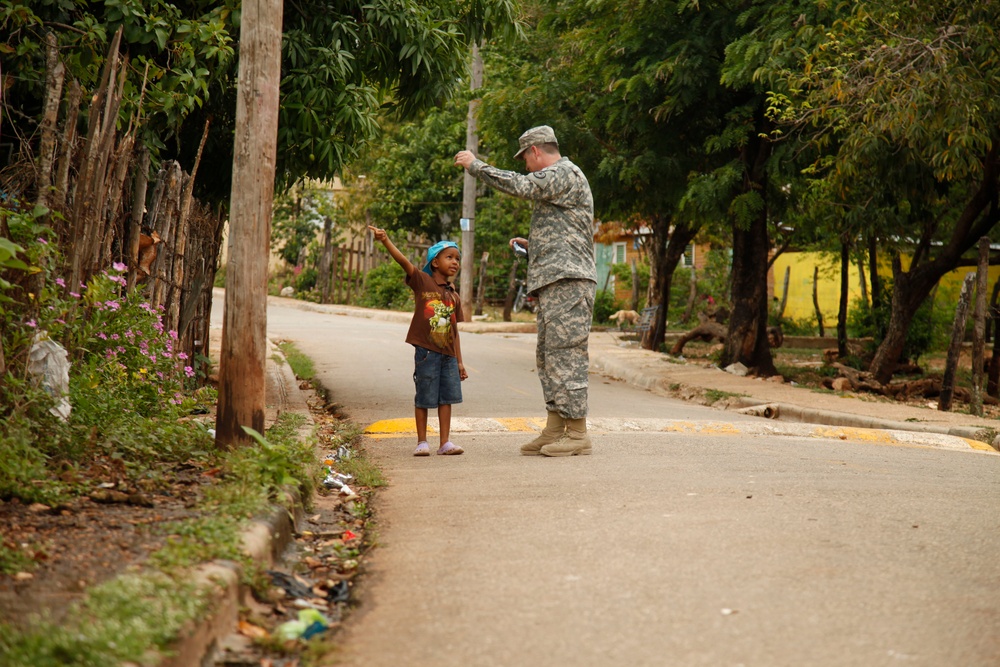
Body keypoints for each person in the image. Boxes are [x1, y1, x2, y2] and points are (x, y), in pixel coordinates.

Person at [454, 125, 596, 457]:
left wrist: (477, 166)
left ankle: (577, 433)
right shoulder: (561, 182)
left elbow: (520, 185)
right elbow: (567, 234)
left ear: (535, 151)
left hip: (569, 283)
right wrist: (535, 247)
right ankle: (555, 428)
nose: (526, 167)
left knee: (567, 355)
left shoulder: (564, 173)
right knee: (548, 357)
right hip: (556, 279)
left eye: (526, 160)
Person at [368, 226, 468, 456]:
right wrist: (385, 239)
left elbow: (454, 330)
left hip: (449, 355)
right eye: (449, 257)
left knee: (447, 398)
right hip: (427, 352)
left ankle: (445, 443)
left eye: (458, 259)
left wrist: (460, 361)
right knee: (424, 395)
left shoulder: (453, 294)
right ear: (435, 262)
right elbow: (403, 261)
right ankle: (422, 441)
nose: (455, 262)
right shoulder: (422, 281)